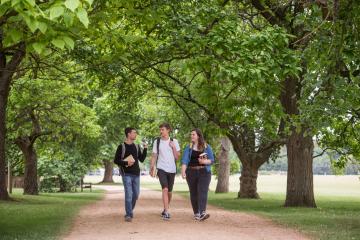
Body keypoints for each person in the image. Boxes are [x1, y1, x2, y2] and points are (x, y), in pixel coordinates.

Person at [114, 127, 147, 222]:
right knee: (129, 194)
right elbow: (116, 160)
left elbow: (141, 159)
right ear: (129, 134)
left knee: (136, 194)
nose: (136, 134)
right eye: (134, 133)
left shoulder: (136, 146)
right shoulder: (121, 146)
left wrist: (145, 148)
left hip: (136, 174)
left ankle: (129, 210)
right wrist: (126, 163)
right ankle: (129, 214)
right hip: (126, 174)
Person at [181, 128, 214, 221]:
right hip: (191, 172)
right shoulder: (189, 147)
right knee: (193, 192)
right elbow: (184, 161)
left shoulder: (207, 147)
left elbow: (212, 160)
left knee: (202, 191)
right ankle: (196, 213)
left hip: (204, 172)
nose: (191, 136)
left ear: (198, 136)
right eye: (191, 134)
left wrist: (204, 161)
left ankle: (202, 212)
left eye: (193, 134)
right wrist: (183, 171)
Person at [150, 123, 180, 220]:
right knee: (165, 189)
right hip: (161, 168)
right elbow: (154, 155)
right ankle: (167, 212)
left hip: (172, 169)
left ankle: (165, 208)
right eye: (160, 129)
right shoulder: (157, 141)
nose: (161, 131)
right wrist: (152, 167)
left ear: (168, 130)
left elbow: (177, 157)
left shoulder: (174, 141)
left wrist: (173, 147)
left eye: (162, 129)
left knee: (170, 192)